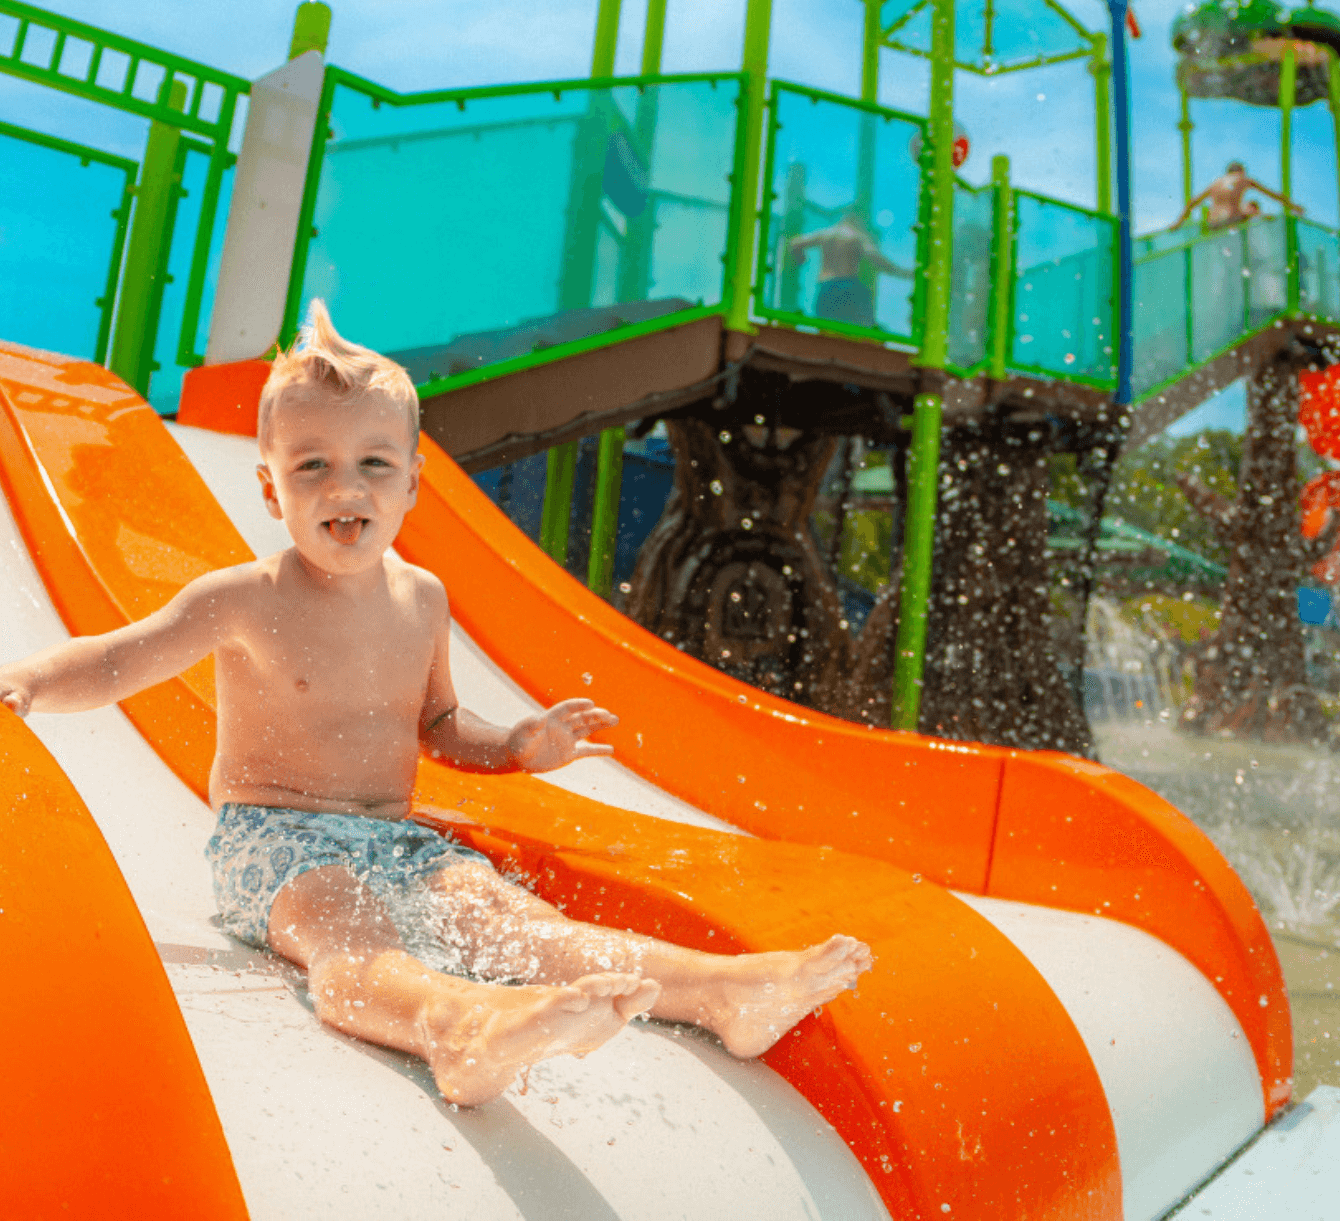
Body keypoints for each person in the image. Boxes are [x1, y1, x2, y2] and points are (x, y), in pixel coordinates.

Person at [0, 302, 871, 1108]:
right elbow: (120, 659)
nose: (347, 488)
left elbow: (442, 728)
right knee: (353, 938)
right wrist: (32, 680)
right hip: (276, 839)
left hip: (401, 837)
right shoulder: (242, 599)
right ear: (270, 490)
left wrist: (521, 744)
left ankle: (722, 993)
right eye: (313, 467)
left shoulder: (423, 600)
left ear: (413, 482)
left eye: (374, 464)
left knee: (518, 922)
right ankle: (459, 1028)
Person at [788, 208, 913, 328]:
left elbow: (795, 243)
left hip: (826, 288)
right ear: (857, 220)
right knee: (862, 327)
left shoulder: (826, 233)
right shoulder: (857, 236)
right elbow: (875, 257)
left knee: (827, 329)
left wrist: (801, 259)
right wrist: (903, 273)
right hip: (848, 286)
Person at [1172, 161, 1305, 232]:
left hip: (1212, 225)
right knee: (1252, 211)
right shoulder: (1244, 179)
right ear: (1241, 171)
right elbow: (1275, 195)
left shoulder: (1216, 182)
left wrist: (1177, 224)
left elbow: (1192, 202)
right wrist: (1293, 206)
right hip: (1231, 221)